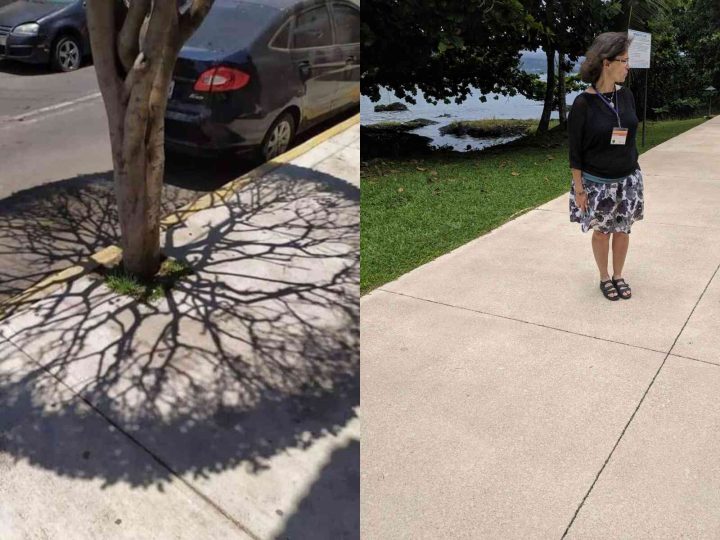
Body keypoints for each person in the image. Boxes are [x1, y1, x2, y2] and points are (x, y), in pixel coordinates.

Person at [568, 31, 643, 301]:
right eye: (623, 60)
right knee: (602, 232)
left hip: (627, 180)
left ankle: (618, 275)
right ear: (606, 63)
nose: (628, 66)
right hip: (596, 183)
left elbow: (630, 136)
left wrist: (633, 173)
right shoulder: (583, 103)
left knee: (623, 230)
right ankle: (603, 276)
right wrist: (579, 190)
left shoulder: (627, 96)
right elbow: (575, 152)